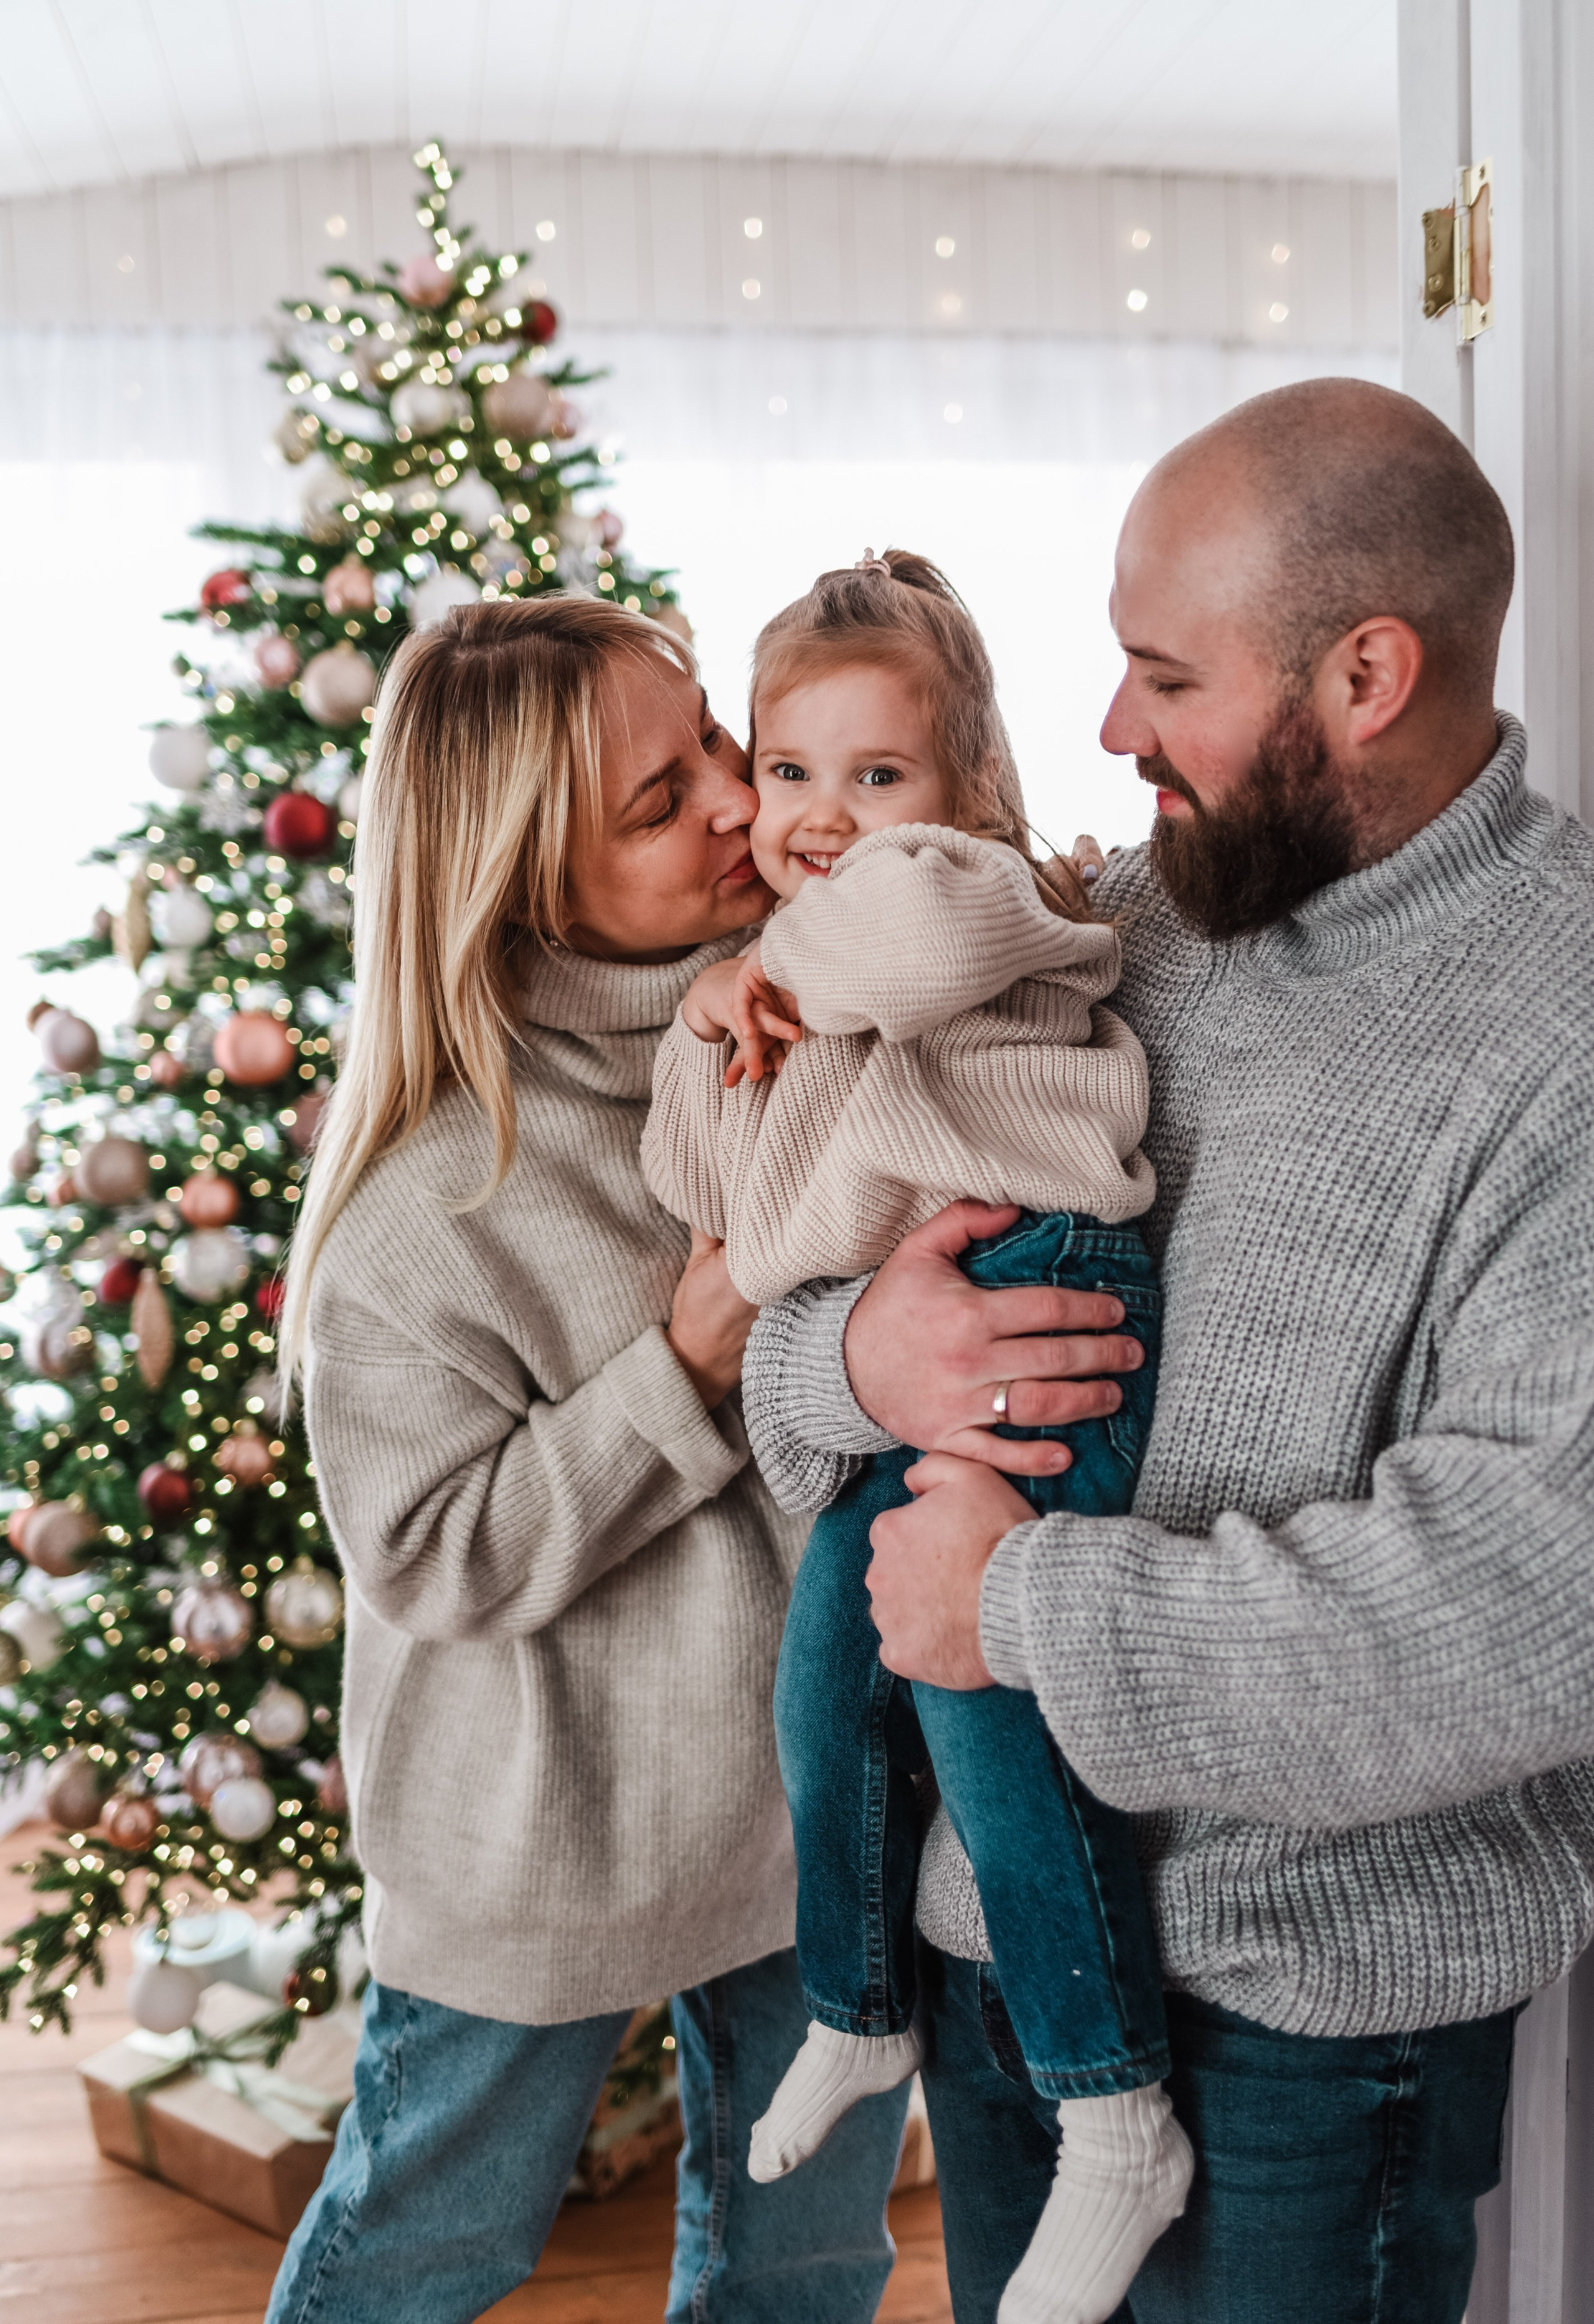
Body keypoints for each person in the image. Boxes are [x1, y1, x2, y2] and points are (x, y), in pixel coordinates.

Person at [741, 379, 1594, 2324]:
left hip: (1309, 2028)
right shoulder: (1105, 925)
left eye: (1164, 677)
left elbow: (1539, 1604)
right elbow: (788, 1327)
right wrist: (862, 1362)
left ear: (1366, 673)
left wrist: (1021, 1605)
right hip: (990, 1967)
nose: (1112, 732)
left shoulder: (1566, 1023)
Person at [265, 598, 911, 2324]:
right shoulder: (426, 1209)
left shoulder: (818, 1027)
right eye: (656, 798)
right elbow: (435, 1554)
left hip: (797, 1819)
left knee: (809, 2254)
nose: (731, 798)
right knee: (425, 2246)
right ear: (530, 880)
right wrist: (684, 1366)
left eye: (712, 740)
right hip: (530, 1840)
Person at [643, 549, 1191, 2324]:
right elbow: (706, 1188)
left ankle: (1114, 2110)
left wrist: (774, 955)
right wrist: (710, 1016)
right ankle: (861, 2011)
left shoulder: (970, 892)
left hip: (1048, 1269)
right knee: (824, 1682)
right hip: (905, 1323)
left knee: (983, 1702)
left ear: (961, 785)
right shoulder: (775, 982)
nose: (825, 817)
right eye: (790, 771)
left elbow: (915, 930)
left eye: (879, 773)